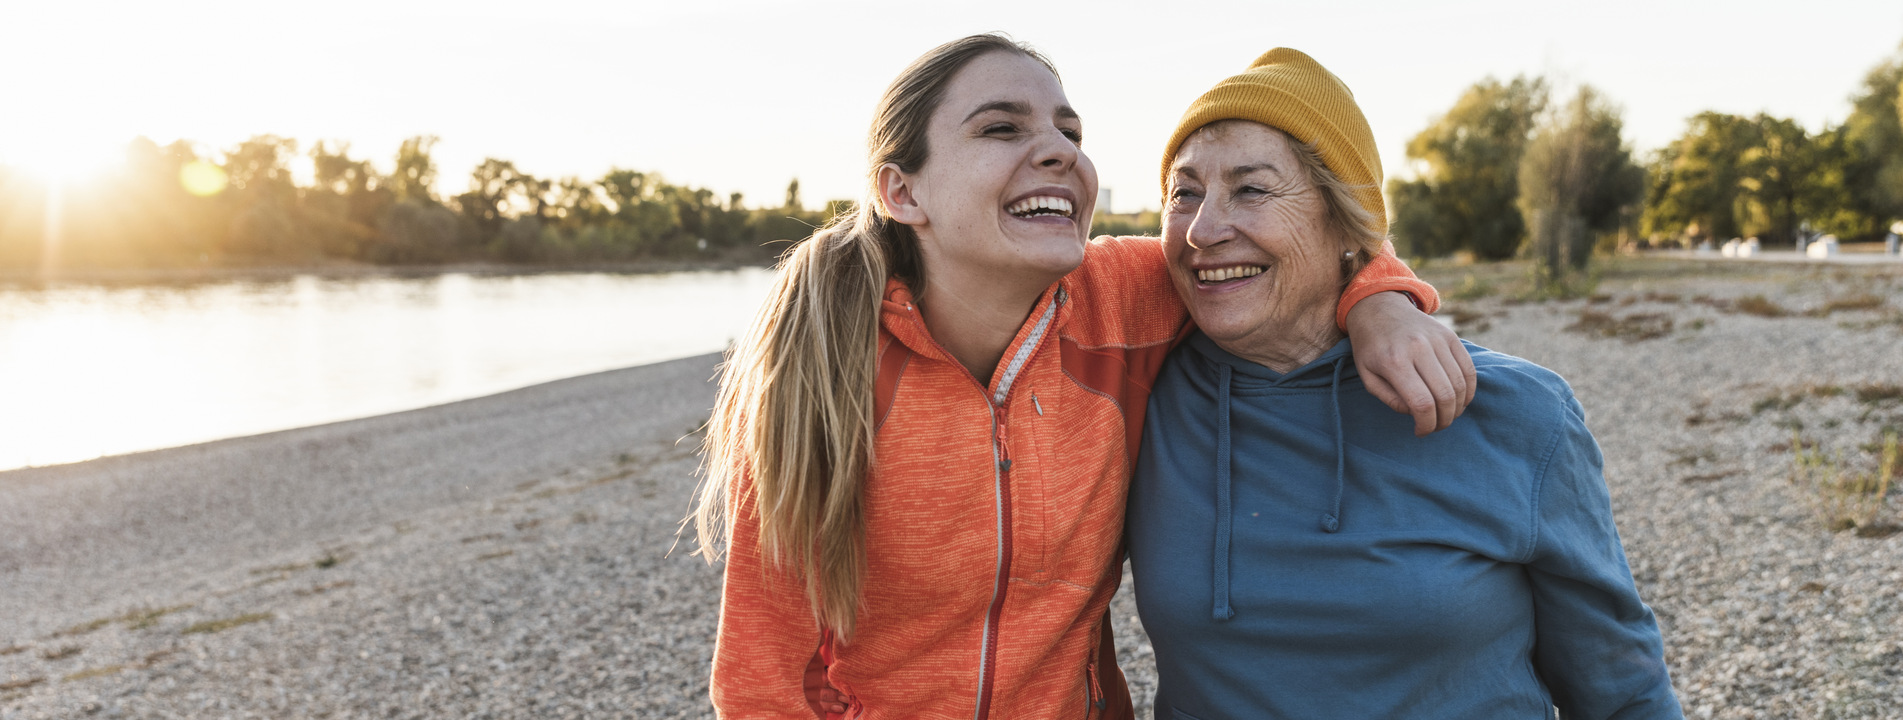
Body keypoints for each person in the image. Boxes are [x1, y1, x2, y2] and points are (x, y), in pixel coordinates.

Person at [692, 35, 1472, 719]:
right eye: (1002, 128)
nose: (1059, 149)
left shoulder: (1127, 297)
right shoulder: (819, 375)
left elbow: (1303, 244)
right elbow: (760, 682)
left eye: (1070, 131)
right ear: (902, 191)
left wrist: (1383, 304)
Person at [1126, 48, 1681, 719]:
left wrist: (1381, 295)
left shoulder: (1515, 414)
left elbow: (1621, 691)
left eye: (1251, 189)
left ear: (1344, 224)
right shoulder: (1137, 394)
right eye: (1184, 193)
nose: (1203, 230)